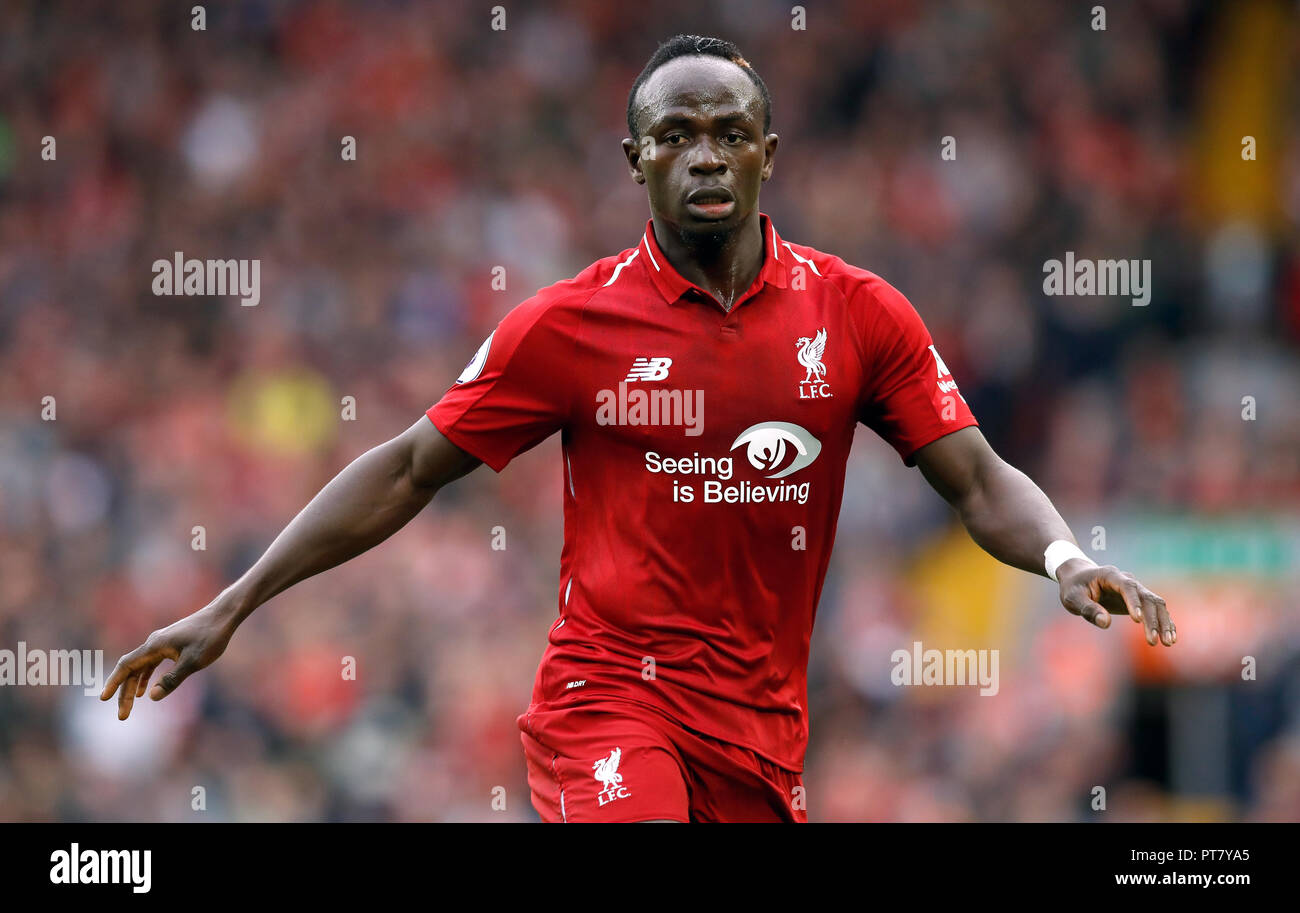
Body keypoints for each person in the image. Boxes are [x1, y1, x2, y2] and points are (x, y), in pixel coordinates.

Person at [101, 34, 1175, 823]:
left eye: (728, 134)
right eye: (675, 135)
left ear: (767, 153)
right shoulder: (568, 326)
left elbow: (978, 481)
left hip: (762, 734)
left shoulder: (857, 313)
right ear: (634, 159)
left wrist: (1064, 557)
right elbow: (408, 468)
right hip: (607, 699)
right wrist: (232, 604)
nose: (704, 156)